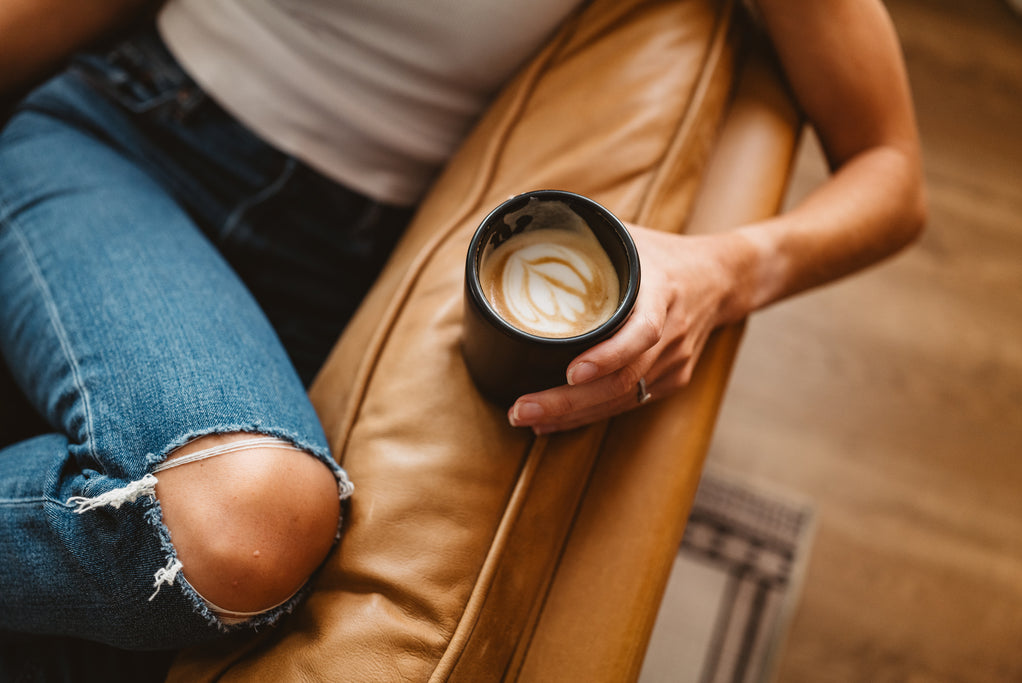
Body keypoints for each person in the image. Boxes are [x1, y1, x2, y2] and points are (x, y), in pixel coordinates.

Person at [0, 0, 925, 676]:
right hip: (122, 142)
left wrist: (722, 274)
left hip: (354, 263)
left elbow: (892, 176)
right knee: (242, 522)